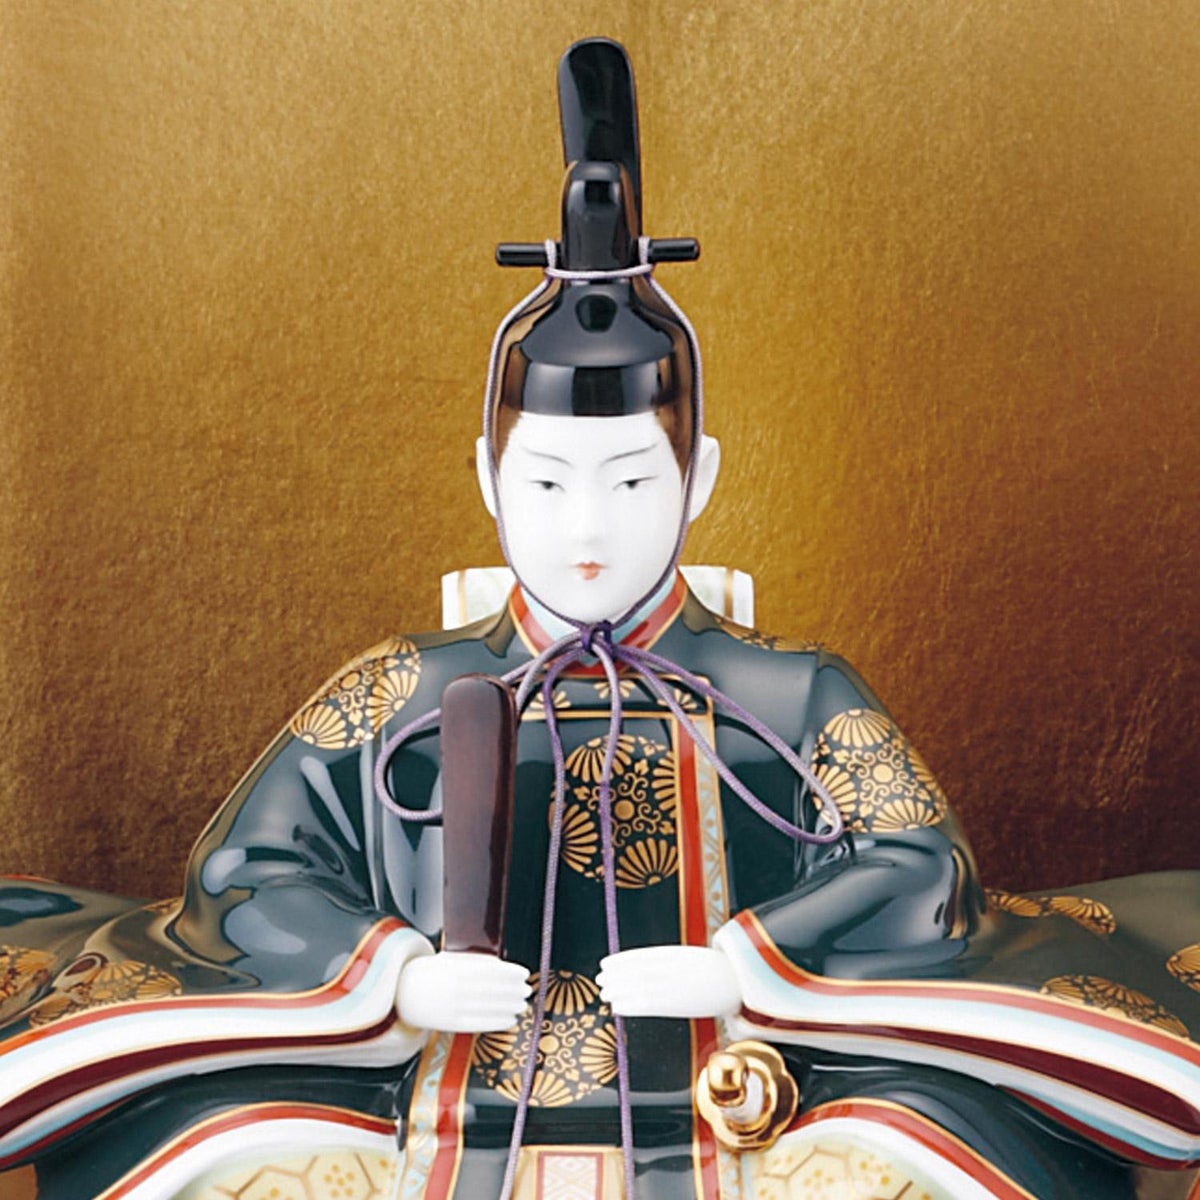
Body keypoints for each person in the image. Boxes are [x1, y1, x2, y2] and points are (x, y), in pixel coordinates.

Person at [2, 36, 1199, 1200]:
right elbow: (248, 873)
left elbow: (918, 867)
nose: (588, 526)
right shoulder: (396, 689)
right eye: (545, 484)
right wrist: (395, 975)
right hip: (433, 1099)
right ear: (487, 479)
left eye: (631, 482)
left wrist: (741, 964)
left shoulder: (791, 691)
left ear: (698, 478)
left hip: (743, 1094)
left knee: (921, 1152)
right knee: (218, 1148)